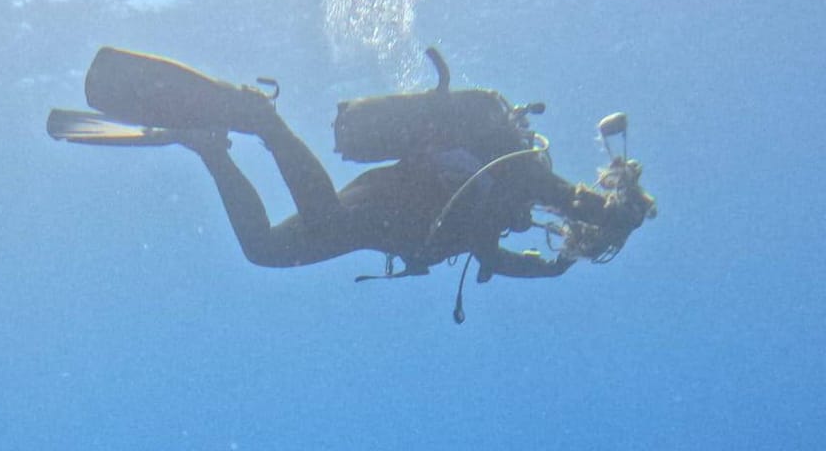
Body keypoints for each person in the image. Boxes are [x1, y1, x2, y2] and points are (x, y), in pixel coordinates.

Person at [48, 46, 655, 321]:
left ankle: (212, 149)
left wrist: (552, 268)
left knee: (264, 251)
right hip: (396, 206)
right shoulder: (524, 173)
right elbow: (579, 203)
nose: (553, 229)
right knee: (326, 222)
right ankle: (263, 120)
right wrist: (621, 208)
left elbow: (494, 255)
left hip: (398, 223)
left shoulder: (506, 204)